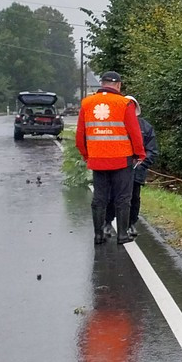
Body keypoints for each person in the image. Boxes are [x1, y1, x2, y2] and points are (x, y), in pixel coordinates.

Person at [76, 71, 145, 245]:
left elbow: (80, 135)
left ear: (102, 83)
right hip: (122, 160)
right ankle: (122, 235)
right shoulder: (124, 103)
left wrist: (86, 155)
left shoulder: (87, 103)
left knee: (99, 198)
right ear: (119, 85)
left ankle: (98, 235)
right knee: (123, 198)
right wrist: (140, 154)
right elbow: (134, 132)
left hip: (97, 160)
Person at [104, 96, 158, 239]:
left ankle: (131, 223)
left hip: (136, 170)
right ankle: (107, 222)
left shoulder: (146, 127)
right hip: (116, 168)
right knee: (111, 196)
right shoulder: (113, 125)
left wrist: (142, 163)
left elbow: (152, 150)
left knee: (134, 198)